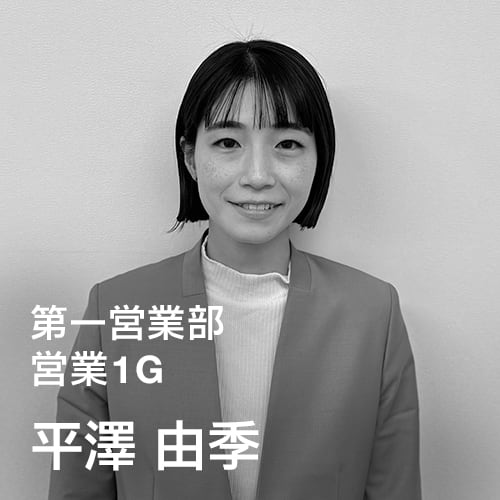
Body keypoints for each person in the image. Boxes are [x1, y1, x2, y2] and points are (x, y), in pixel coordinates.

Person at [49, 40, 421, 500]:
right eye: (228, 142)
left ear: (318, 158)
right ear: (190, 157)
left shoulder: (373, 314)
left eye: (288, 144)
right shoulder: (114, 311)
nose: (258, 175)